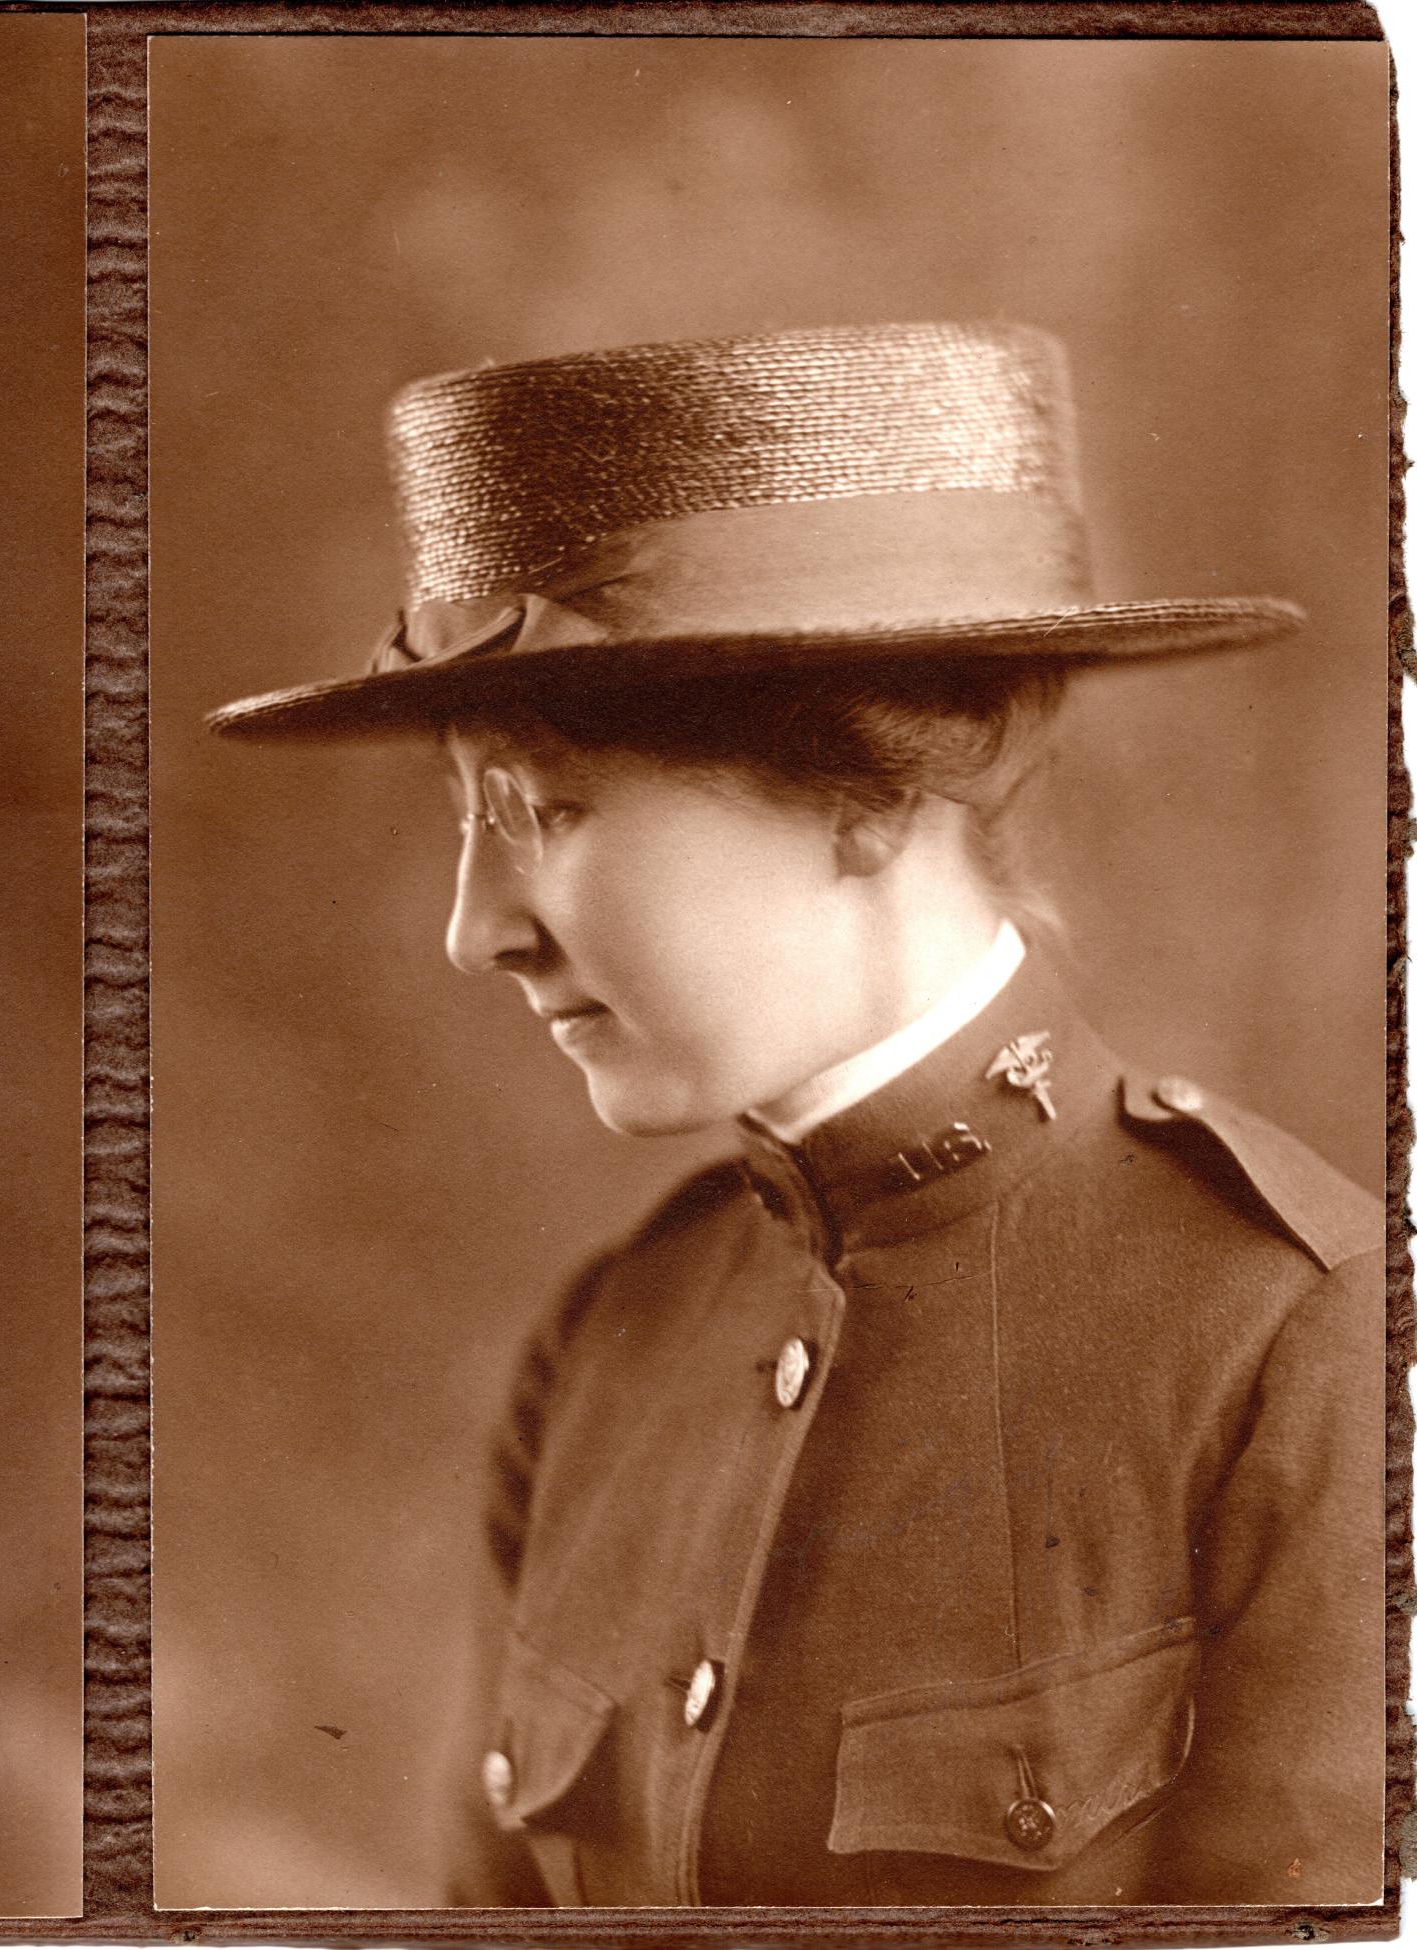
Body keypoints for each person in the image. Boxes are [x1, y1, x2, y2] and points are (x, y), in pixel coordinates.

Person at [208, 322, 1383, 1907]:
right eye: (469, 819)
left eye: (548, 811)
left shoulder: (1299, 1340)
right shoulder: (610, 1344)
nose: (477, 925)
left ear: (871, 793)